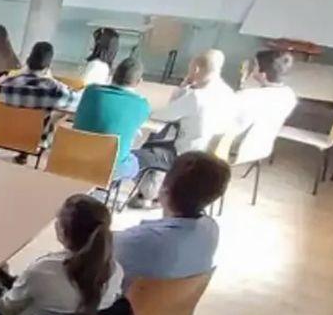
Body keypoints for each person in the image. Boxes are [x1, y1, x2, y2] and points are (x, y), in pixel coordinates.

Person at [132, 49, 237, 206]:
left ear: (195, 69)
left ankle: (149, 196)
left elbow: (162, 114)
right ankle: (155, 189)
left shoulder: (196, 97)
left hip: (186, 154)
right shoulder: (228, 93)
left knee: (135, 155)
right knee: (157, 139)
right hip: (211, 155)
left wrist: (182, 87)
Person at [115, 151, 230, 288]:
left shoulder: (141, 239)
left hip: (125, 306)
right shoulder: (211, 229)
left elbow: (100, 251)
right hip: (175, 307)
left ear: (164, 189)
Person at [72, 57, 151, 181]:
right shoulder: (142, 105)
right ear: (139, 81)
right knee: (134, 161)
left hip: (74, 157)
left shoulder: (90, 91)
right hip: (108, 167)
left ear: (113, 74)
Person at [0, 41, 77, 152]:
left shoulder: (5, 84)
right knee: (59, 113)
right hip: (34, 139)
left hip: (0, 135)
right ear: (48, 65)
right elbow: (77, 103)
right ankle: (26, 151)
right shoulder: (55, 89)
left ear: (28, 60)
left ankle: (22, 153)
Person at [234, 49, 298, 162]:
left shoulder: (249, 95)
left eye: (255, 66)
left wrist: (242, 82)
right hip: (262, 147)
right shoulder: (290, 95)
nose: (252, 68)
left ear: (262, 74)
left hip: (236, 145)